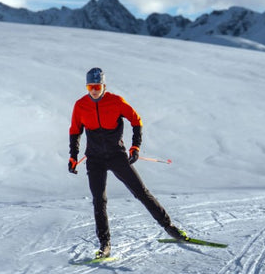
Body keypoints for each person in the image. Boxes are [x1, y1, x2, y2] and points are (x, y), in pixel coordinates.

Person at [68, 67, 188, 258]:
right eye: (90, 87)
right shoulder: (80, 105)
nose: (94, 91)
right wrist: (73, 157)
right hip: (95, 159)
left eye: (97, 86)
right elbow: (75, 131)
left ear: (104, 86)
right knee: (99, 201)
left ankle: (170, 227)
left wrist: (135, 147)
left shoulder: (116, 101)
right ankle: (105, 245)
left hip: (117, 156)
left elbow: (136, 120)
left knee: (141, 192)